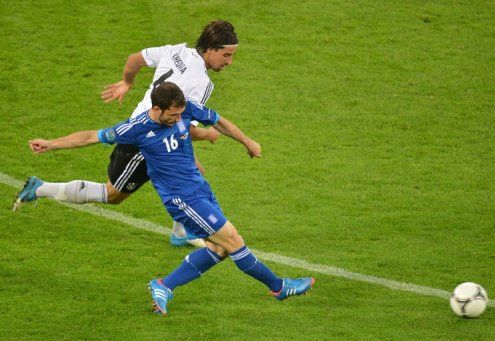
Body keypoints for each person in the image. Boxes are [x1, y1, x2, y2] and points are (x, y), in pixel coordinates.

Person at [27, 82, 315, 316]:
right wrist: (51, 144)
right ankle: (279, 287)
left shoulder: (185, 107)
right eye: (174, 116)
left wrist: (247, 141)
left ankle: (164, 285)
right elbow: (91, 136)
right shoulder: (136, 128)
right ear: (156, 109)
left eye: (181, 114)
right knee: (233, 240)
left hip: (199, 188)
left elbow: (218, 121)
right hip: (181, 199)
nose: (180, 120)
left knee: (218, 248)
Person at [13, 20, 239, 248]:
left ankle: (183, 232)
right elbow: (184, 127)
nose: (229, 62)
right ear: (211, 49)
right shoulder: (200, 82)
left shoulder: (176, 50)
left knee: (191, 170)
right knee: (113, 195)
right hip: (145, 140)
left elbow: (134, 60)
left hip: (151, 126)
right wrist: (208, 134)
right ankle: (41, 188)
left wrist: (126, 82)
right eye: (226, 55)